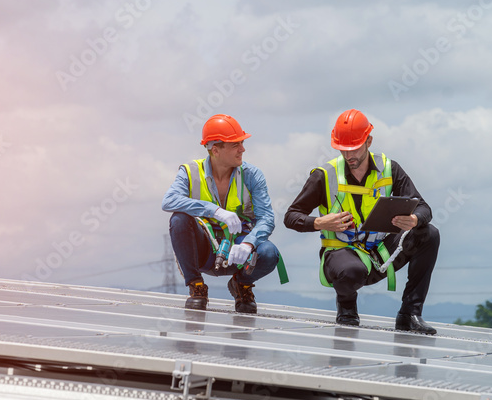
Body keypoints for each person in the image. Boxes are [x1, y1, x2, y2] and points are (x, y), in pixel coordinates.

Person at [284, 109, 440, 334]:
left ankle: (410, 314)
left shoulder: (390, 169)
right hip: (341, 255)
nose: (349, 156)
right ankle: (347, 309)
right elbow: (291, 216)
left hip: (380, 253)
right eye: (343, 149)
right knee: (352, 270)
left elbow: (424, 207)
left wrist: (414, 219)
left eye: (355, 148)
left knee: (429, 234)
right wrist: (320, 222)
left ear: (369, 141)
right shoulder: (324, 175)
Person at [162, 114, 284, 313]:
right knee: (179, 219)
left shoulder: (252, 175)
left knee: (269, 254)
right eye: (235, 144)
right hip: (205, 252)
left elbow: (267, 218)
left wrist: (249, 243)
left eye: (242, 143)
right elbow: (168, 201)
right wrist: (216, 211)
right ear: (216, 150)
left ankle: (241, 284)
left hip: (238, 253)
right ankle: (196, 287)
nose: (242, 149)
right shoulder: (190, 172)